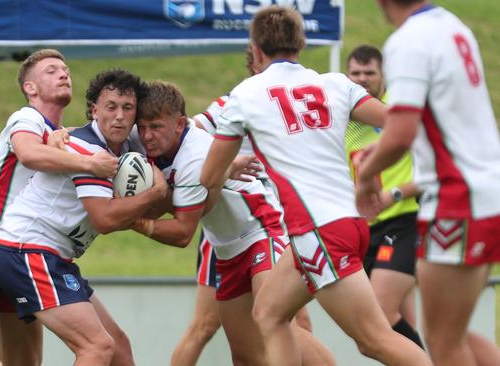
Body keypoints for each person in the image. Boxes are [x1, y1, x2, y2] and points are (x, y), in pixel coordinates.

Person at [200, 5, 432, 366]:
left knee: (374, 340)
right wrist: (371, 169)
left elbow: (208, 178)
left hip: (319, 232)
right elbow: (397, 121)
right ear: (300, 46)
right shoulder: (336, 83)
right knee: (269, 313)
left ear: (256, 51)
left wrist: (230, 169)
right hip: (349, 224)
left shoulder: (245, 94)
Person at [134, 81, 334, 366]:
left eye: (155, 127)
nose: (147, 136)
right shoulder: (144, 139)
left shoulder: (194, 156)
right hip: (226, 248)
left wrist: (131, 218)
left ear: (179, 124)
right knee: (244, 355)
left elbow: (182, 233)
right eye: (142, 127)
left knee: (273, 319)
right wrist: (60, 138)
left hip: (263, 230)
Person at [0, 49, 118, 366]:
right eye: (51, 70)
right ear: (30, 88)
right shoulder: (26, 118)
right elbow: (28, 153)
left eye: (65, 69)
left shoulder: (69, 138)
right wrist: (91, 164)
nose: (64, 73)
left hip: (19, 257)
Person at [0, 69, 168, 366]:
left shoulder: (128, 143)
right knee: (97, 347)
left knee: (119, 350)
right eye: (110, 107)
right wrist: (155, 192)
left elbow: (184, 128)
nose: (120, 116)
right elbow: (104, 220)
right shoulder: (87, 148)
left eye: (128, 108)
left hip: (52, 257)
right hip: (27, 250)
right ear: (95, 110)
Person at [356, 1, 500, 365]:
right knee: (454, 333)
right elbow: (433, 118)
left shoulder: (408, 41)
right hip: (483, 191)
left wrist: (365, 176)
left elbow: (402, 134)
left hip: (456, 198)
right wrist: (384, 144)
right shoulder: (452, 26)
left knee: (441, 342)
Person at [345, 44, 423, 347]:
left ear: (383, 75)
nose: (362, 78)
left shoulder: (400, 111)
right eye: (356, 73)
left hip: (403, 222)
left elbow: (435, 171)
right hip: (364, 229)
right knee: (394, 325)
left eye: (369, 73)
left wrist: (395, 194)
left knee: (379, 311)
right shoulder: (344, 116)